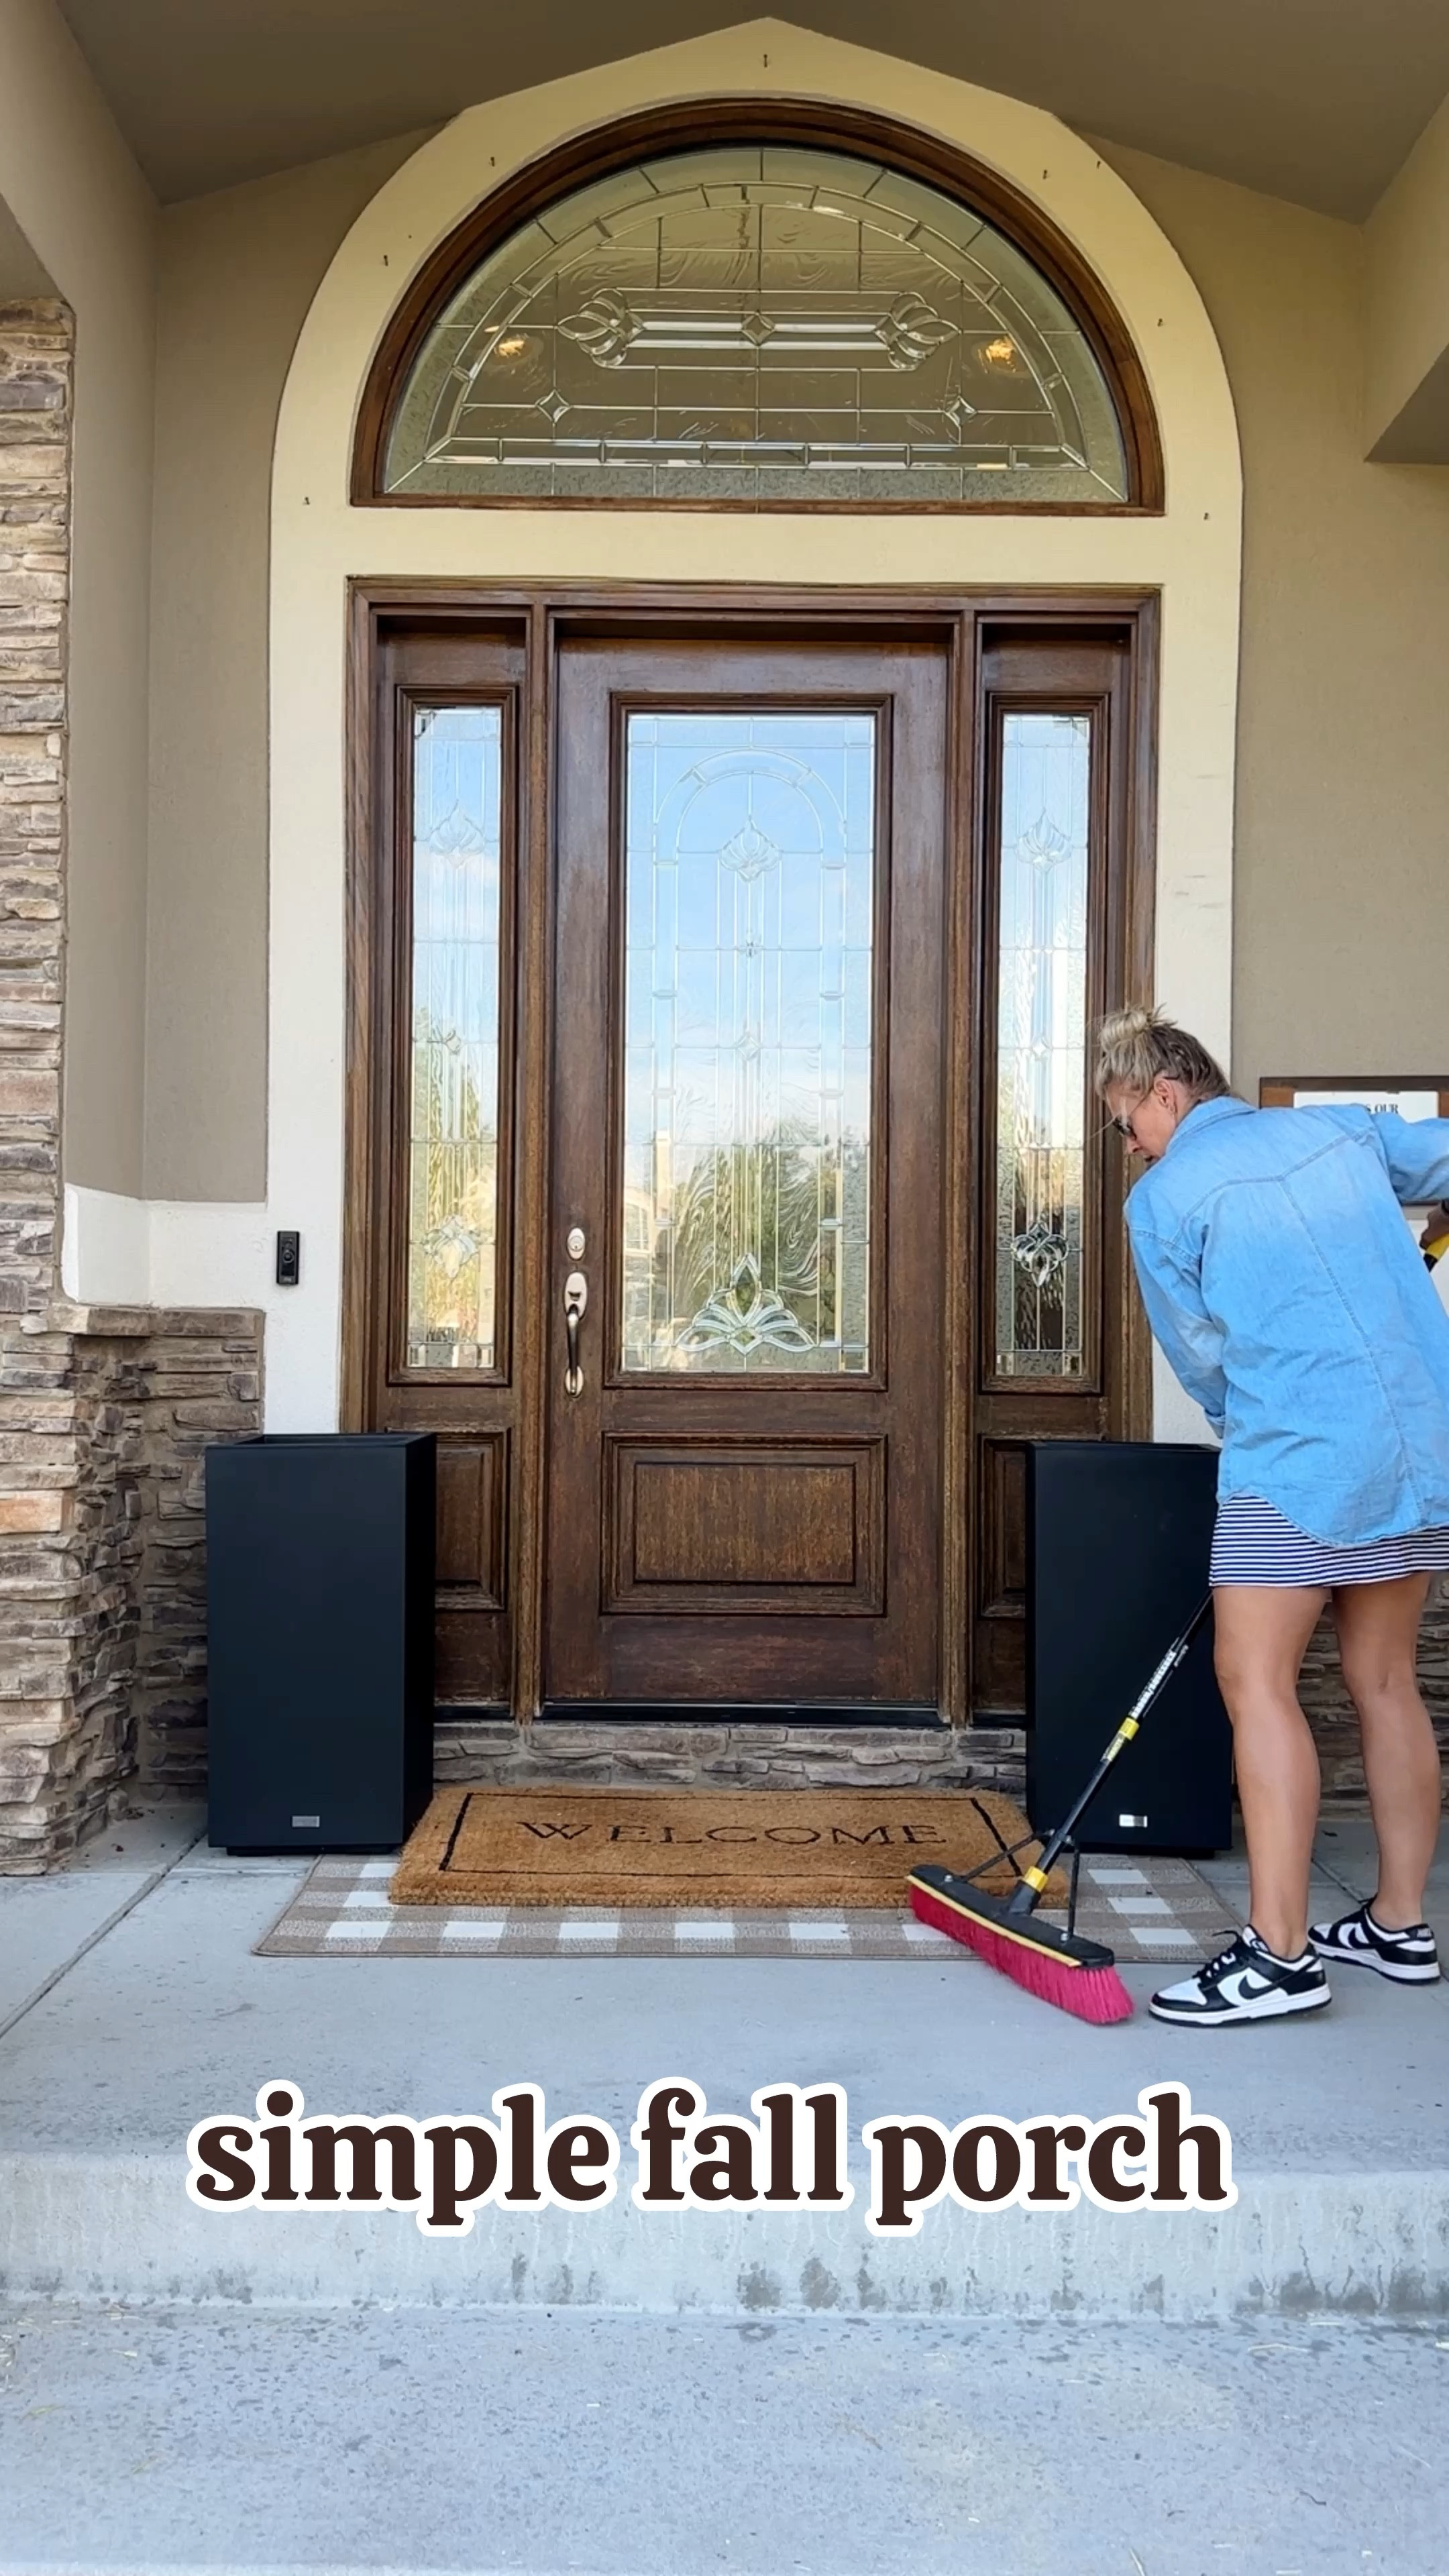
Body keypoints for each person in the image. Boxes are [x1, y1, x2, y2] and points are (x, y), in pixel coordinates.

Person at [1095, 1006, 1449, 2027]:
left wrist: (1242, 1436)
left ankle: (1281, 1956)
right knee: (1385, 1680)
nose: (1130, 1149)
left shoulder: (1166, 1200)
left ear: (1167, 1093)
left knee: (1255, 1681)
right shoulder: (1343, 1132)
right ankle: (1399, 1922)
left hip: (1296, 1452)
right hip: (1416, 1440)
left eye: (1128, 1123)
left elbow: (1202, 1354)